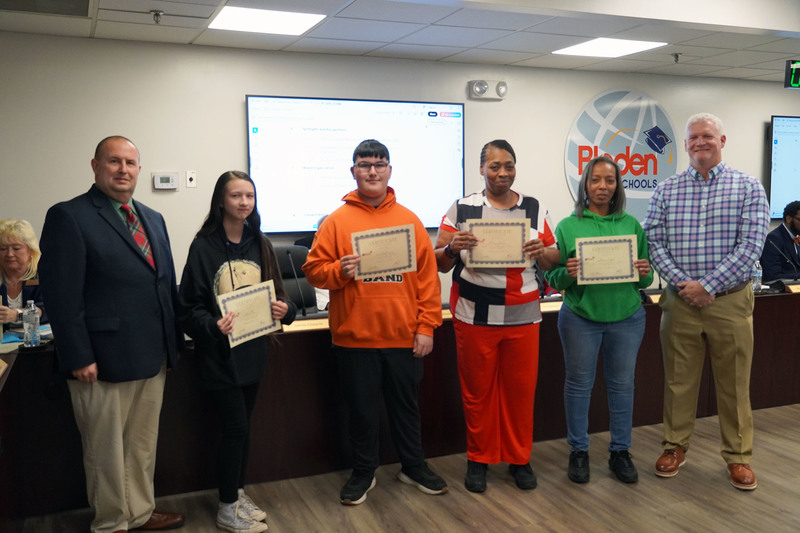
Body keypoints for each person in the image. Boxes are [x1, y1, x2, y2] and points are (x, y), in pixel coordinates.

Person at [39, 136, 186, 532]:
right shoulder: (69, 216)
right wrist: (77, 355)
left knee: (140, 447)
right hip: (100, 360)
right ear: (95, 166)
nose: (123, 169)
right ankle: (111, 523)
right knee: (105, 452)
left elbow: (164, 286)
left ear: (139, 168)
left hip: (151, 355)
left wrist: (173, 347)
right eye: (114, 161)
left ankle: (138, 511)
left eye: (131, 162)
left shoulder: (153, 218)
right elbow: (61, 295)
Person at [303, 139, 447, 506]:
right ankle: (364, 473)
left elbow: (428, 280)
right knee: (361, 412)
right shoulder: (337, 221)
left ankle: (413, 467)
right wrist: (340, 270)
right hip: (355, 339)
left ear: (389, 170)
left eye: (379, 164)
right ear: (353, 171)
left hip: (403, 337)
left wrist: (427, 326)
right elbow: (314, 272)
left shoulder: (410, 220)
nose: (372, 170)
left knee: (406, 409)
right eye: (365, 164)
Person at [643, 113, 769, 491]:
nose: (700, 142)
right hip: (680, 301)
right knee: (678, 382)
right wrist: (685, 284)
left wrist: (709, 285)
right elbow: (654, 242)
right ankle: (674, 447)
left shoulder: (748, 187)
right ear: (685, 145)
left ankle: (738, 457)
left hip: (729, 301)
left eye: (708, 136)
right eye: (694, 137)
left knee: (733, 384)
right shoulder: (666, 190)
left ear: (722, 140)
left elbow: (751, 248)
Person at [434, 139, 559, 493]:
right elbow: (440, 262)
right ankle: (479, 458)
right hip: (474, 316)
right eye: (494, 166)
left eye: (508, 166)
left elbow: (554, 259)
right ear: (481, 169)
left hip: (523, 315)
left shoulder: (534, 208)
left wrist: (543, 251)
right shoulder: (462, 208)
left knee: (520, 393)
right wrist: (452, 248)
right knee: (478, 393)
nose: (502, 173)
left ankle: (520, 459)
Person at [178, 170, 296, 533]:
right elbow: (188, 308)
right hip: (219, 357)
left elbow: (281, 296)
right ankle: (227, 509)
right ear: (220, 201)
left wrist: (284, 310)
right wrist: (212, 326)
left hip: (253, 354)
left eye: (250, 196)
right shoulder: (203, 246)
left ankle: (236, 492)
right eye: (236, 196)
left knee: (242, 431)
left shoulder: (259, 242)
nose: (244, 202)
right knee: (235, 429)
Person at [545, 156, 653, 485]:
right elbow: (553, 277)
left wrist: (645, 272)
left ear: (618, 185)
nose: (602, 186)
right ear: (585, 185)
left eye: (609, 180)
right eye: (595, 180)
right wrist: (569, 273)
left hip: (627, 317)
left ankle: (620, 451)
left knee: (623, 387)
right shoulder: (567, 226)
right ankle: (579, 450)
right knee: (579, 387)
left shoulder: (631, 225)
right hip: (580, 318)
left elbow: (644, 282)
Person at [0, 219, 46, 330]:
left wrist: (17, 315)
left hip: (37, 340)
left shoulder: (43, 274)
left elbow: (49, 310)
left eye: (16, 248)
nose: (9, 254)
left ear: (30, 250)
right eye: (3, 249)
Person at [760, 200, 800, 282]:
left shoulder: (796, 236)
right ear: (788, 219)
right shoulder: (773, 239)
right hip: (781, 291)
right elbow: (772, 275)